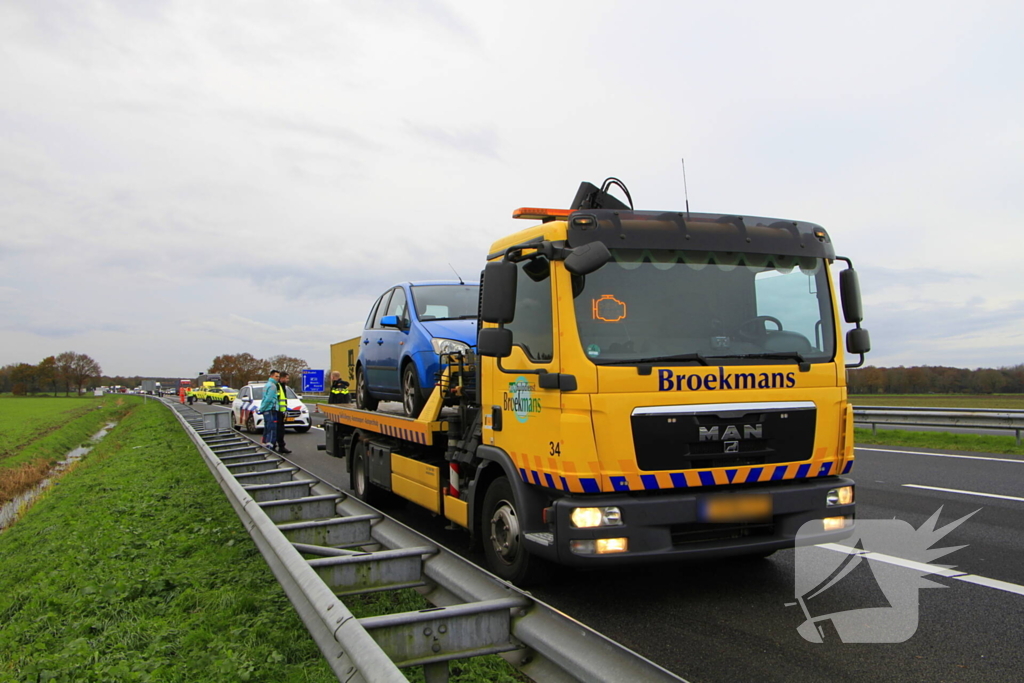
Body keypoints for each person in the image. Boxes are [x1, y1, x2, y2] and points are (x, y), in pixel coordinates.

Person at [259, 370, 281, 449]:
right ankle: (270, 445)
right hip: (271, 409)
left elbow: (264, 398)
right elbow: (268, 399)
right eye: (276, 376)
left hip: (266, 410)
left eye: (278, 376)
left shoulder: (266, 385)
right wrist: (262, 408)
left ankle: (264, 442)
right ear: (271, 376)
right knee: (272, 428)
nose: (278, 378)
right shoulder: (273, 386)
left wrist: (262, 409)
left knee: (267, 427)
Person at [274, 372, 292, 454]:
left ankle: (281, 446)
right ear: (282, 378)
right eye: (287, 378)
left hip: (281, 411)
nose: (288, 380)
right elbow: (276, 398)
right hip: (277, 411)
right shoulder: (278, 386)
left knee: (281, 430)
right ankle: (274, 446)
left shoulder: (283, 386)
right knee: (276, 430)